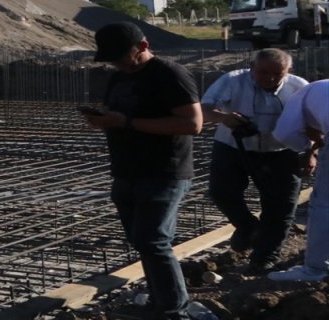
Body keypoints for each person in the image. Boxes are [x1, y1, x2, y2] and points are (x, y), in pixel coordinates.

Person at [82, 22, 202, 320]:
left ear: (143, 47)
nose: (117, 63)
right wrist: (105, 120)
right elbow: (123, 115)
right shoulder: (118, 77)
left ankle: (176, 310)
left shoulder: (170, 74)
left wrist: (125, 122)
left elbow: (192, 124)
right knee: (142, 241)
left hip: (164, 171)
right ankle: (160, 302)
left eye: (122, 56)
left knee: (153, 240)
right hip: (126, 170)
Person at [201, 48, 308, 272]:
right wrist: (224, 118)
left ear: (288, 71)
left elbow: (315, 121)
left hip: (281, 151)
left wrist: (312, 152)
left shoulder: (300, 87)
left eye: (277, 74)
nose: (269, 78)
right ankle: (248, 227)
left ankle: (265, 257)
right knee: (221, 192)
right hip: (233, 146)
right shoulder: (232, 80)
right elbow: (203, 109)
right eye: (263, 72)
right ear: (252, 68)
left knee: (281, 206)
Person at [269, 80, 329, 282]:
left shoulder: (300, 96)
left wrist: (304, 146)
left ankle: (315, 269)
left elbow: (285, 133)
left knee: (324, 205)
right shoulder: (321, 89)